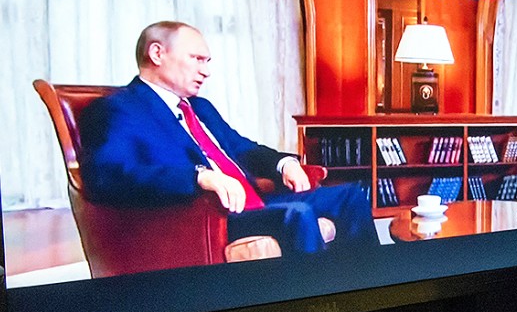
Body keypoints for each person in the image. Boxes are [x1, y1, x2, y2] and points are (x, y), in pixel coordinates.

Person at [78, 21, 377, 255]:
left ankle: (365, 291)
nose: (206, 71)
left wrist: (283, 163)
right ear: (157, 53)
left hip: (254, 202)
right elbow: (108, 175)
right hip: (208, 217)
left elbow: (241, 148)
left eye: (208, 61)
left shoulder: (200, 108)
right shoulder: (119, 108)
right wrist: (199, 177)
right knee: (298, 213)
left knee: (349, 195)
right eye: (197, 59)